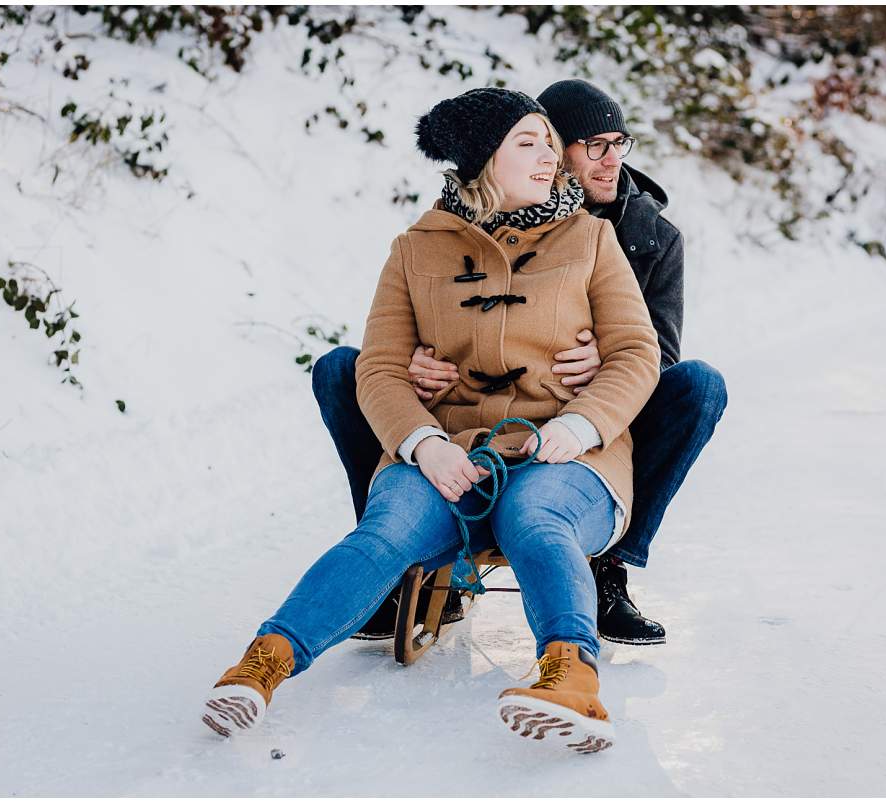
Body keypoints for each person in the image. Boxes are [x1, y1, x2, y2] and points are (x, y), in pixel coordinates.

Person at [204, 87, 660, 754]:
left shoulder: (590, 238)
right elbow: (381, 367)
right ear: (483, 161)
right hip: (447, 450)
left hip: (564, 450)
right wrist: (421, 444)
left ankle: (571, 677)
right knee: (383, 530)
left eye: (546, 142)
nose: (548, 157)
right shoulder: (415, 248)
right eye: (526, 143)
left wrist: (584, 425)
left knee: (538, 520)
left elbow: (636, 352)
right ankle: (261, 664)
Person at [314, 80, 727, 645]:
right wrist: (410, 360)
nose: (608, 159)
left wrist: (603, 360)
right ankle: (402, 556)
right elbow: (416, 327)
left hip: (590, 405)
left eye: (618, 143)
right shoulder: (442, 228)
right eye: (590, 145)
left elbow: (656, 354)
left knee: (698, 386)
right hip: (464, 410)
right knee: (342, 368)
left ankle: (607, 567)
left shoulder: (647, 235)